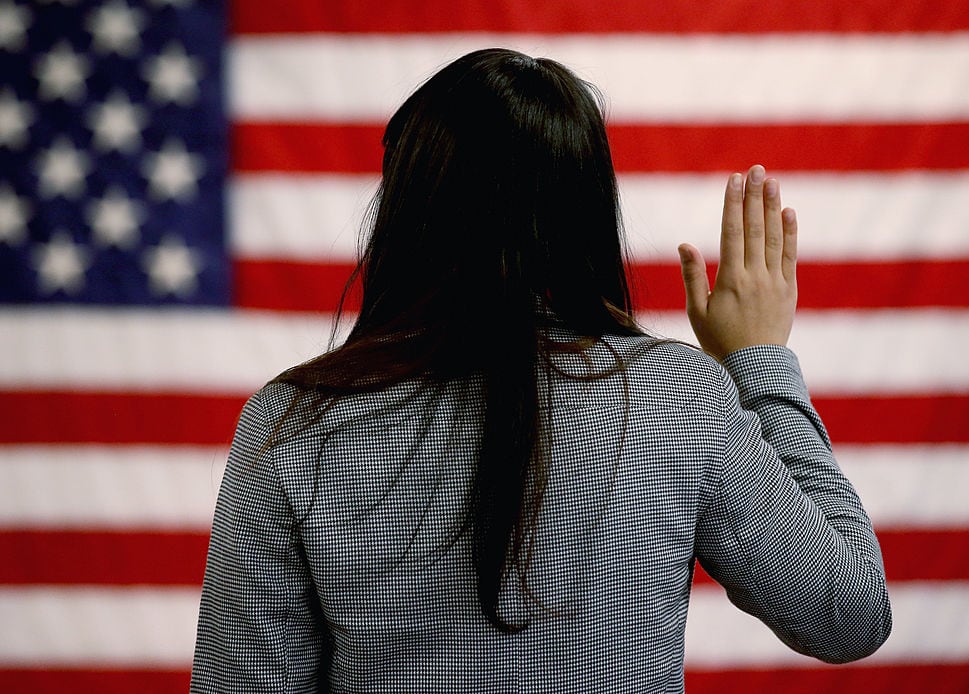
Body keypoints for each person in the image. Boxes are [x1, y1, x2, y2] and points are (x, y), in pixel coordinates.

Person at [190, 48, 891, 692]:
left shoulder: (290, 420)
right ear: (585, 210)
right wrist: (759, 360)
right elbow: (848, 615)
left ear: (405, 208)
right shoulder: (679, 399)